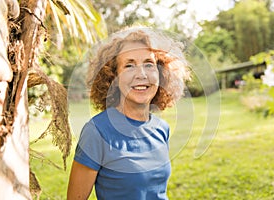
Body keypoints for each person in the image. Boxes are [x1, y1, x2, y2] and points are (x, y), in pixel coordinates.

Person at [67, 26, 190, 200]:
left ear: (160, 73)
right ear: (113, 77)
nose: (141, 74)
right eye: (129, 65)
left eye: (149, 64)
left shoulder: (162, 129)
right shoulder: (97, 131)